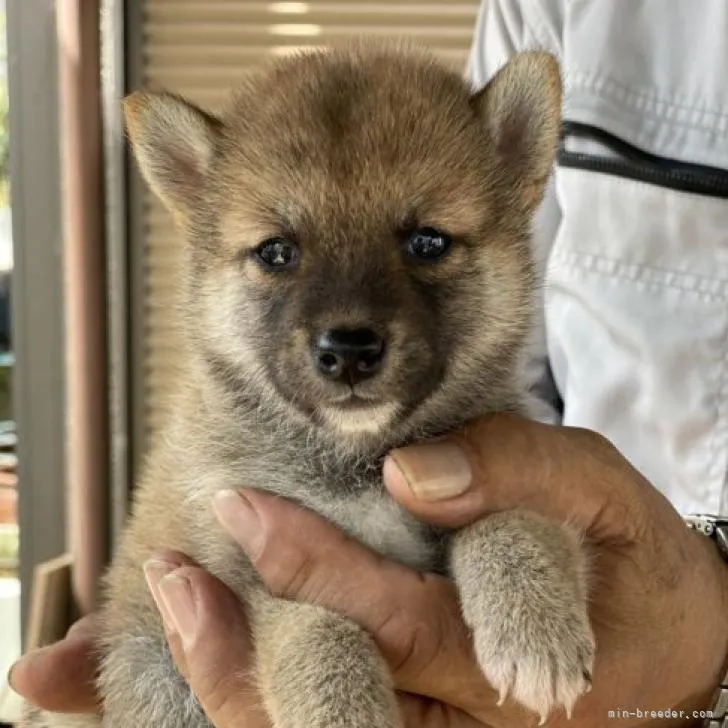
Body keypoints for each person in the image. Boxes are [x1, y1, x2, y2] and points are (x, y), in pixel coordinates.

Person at [10, 0, 728, 725]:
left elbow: (533, 496)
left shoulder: (482, 416)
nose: (347, 318)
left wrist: (513, 553)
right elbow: (243, 603)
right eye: (277, 255)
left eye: (425, 245)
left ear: (518, 171)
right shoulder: (224, 455)